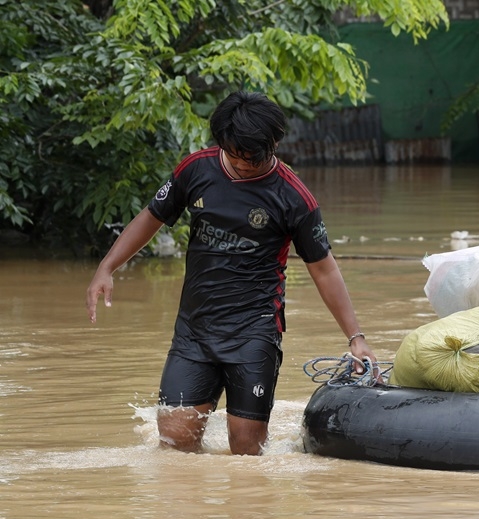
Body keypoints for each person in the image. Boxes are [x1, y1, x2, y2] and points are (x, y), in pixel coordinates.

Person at [85, 90, 377, 455]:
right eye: (234, 154)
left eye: (251, 158)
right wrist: (107, 267)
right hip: (193, 332)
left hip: (253, 335)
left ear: (273, 144)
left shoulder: (294, 198)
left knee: (246, 456)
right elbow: (151, 217)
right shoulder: (196, 170)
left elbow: (324, 269)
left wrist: (356, 337)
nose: (241, 164)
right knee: (174, 447)